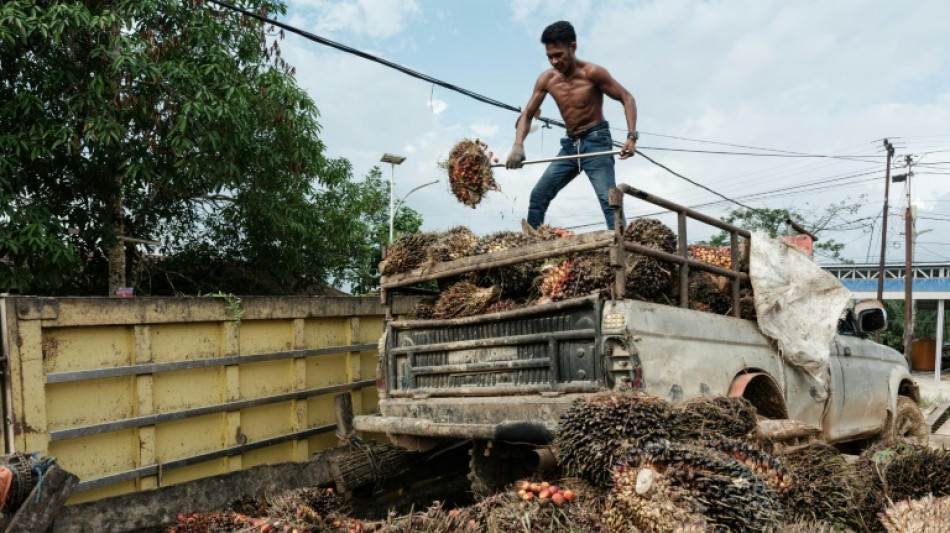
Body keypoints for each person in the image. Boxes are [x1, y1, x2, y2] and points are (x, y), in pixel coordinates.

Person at [506, 20, 638, 230]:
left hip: (596, 142)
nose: (555, 61)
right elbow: (528, 114)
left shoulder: (592, 73)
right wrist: (518, 145)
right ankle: (530, 251)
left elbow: (627, 98)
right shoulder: (547, 79)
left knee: (609, 201)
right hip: (570, 145)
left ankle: (624, 250)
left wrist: (631, 136)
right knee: (538, 195)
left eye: (559, 55)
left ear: (573, 47)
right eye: (550, 56)